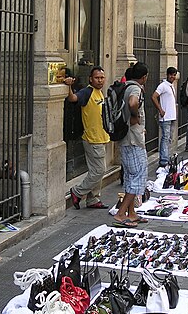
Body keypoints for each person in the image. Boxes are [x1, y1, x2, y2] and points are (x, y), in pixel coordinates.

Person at [64, 66, 110, 209]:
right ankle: (77, 192)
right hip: (92, 139)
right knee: (99, 170)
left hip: (102, 137)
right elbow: (73, 98)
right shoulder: (87, 92)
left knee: (96, 171)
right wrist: (69, 87)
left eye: (102, 77)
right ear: (91, 79)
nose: (100, 80)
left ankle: (93, 199)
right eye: (97, 78)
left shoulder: (99, 93)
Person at [113, 62, 149, 228]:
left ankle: (131, 212)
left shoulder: (125, 86)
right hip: (133, 139)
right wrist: (135, 117)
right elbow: (133, 103)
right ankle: (121, 213)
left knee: (129, 175)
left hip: (127, 138)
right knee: (137, 175)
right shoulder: (135, 89)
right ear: (144, 77)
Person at [151, 67, 178, 167]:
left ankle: (166, 157)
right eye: (171, 75)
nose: (172, 77)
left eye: (174, 75)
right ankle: (163, 160)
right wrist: (160, 109)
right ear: (167, 75)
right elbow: (154, 96)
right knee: (165, 138)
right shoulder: (163, 86)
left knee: (169, 138)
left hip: (171, 116)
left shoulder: (171, 86)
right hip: (165, 117)